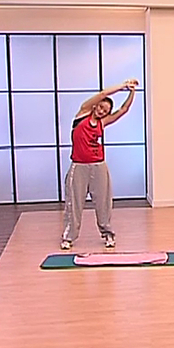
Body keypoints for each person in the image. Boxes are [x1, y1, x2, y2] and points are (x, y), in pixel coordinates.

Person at [60, 79, 139, 250]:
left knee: (103, 203)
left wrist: (132, 91)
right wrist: (123, 86)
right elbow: (103, 93)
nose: (102, 111)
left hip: (98, 166)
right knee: (74, 203)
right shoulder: (82, 114)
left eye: (106, 111)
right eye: (101, 107)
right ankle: (68, 237)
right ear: (95, 105)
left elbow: (123, 109)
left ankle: (108, 235)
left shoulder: (102, 123)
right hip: (79, 166)